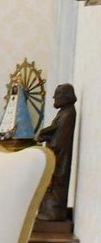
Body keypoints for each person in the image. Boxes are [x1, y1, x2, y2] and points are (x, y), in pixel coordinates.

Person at [35, 82, 77, 221]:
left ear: (65, 97)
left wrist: (46, 137)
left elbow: (59, 141)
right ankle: (48, 212)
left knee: (54, 187)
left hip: (60, 160)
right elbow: (55, 129)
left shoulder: (68, 114)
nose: (54, 99)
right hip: (57, 158)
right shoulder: (63, 112)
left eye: (57, 97)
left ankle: (53, 214)